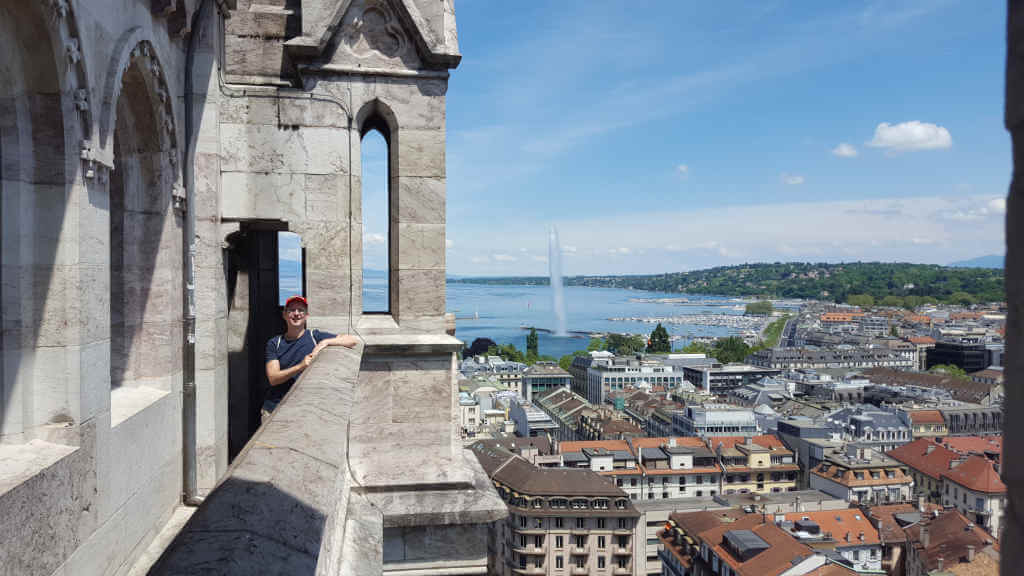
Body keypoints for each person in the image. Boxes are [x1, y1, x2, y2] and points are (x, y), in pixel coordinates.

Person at [263, 295, 358, 416]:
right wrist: (300, 366)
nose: (296, 314)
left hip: (303, 409)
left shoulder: (314, 336)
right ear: (284, 314)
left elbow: (352, 340)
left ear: (306, 316)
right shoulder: (274, 343)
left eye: (301, 310)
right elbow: (273, 378)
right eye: (292, 310)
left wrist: (325, 342)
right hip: (274, 409)